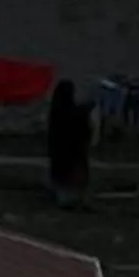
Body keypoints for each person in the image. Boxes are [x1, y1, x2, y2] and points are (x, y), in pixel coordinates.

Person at [47, 77, 92, 208]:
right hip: (72, 152)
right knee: (70, 178)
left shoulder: (57, 110)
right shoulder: (69, 112)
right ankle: (70, 198)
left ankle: (65, 196)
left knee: (62, 177)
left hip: (61, 152)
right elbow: (79, 126)